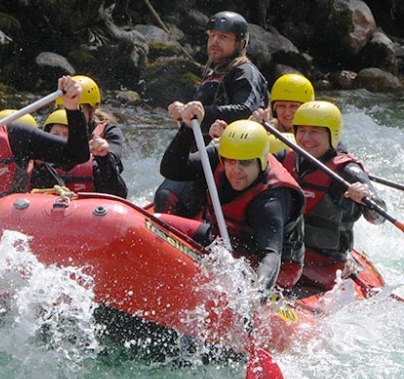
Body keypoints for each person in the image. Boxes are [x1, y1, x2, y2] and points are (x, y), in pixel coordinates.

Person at [159, 101, 305, 297]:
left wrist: (256, 291)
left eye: (245, 163)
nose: (236, 170)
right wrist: (186, 128)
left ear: (261, 161)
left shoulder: (271, 200)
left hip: (273, 267)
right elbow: (172, 169)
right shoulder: (222, 154)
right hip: (223, 242)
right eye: (231, 161)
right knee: (157, 223)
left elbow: (271, 256)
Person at [155, 11, 269, 217]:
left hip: (229, 153)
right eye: (212, 36)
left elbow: (245, 110)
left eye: (223, 37)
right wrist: (185, 115)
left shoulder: (245, 72)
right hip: (201, 149)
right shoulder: (215, 71)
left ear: (241, 44)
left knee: (168, 195)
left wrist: (200, 114)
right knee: (166, 191)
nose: (215, 41)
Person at [273, 101, 387, 295]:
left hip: (325, 266)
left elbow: (379, 217)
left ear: (332, 135)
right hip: (286, 257)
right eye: (302, 131)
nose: (306, 138)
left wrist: (363, 197)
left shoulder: (347, 171)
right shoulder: (286, 158)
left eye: (315, 132)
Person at [29, 107, 128, 197]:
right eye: (55, 134)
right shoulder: (38, 164)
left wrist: (104, 158)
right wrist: (40, 165)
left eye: (66, 134)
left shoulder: (93, 165)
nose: (60, 139)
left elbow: (118, 194)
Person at [210, 73, 315, 153]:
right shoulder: (266, 129)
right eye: (281, 106)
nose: (287, 112)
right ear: (274, 109)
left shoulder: (318, 134)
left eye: (293, 107)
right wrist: (228, 136)